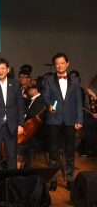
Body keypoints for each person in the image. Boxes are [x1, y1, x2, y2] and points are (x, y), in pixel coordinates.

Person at [42, 52, 83, 191]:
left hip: (70, 120)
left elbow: (78, 102)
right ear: (54, 65)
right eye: (57, 63)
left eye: (62, 63)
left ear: (67, 64)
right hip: (53, 119)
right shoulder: (48, 80)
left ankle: (70, 179)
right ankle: (52, 180)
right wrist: (49, 105)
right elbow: (45, 97)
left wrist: (79, 120)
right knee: (53, 152)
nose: (59, 65)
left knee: (70, 152)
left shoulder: (75, 80)